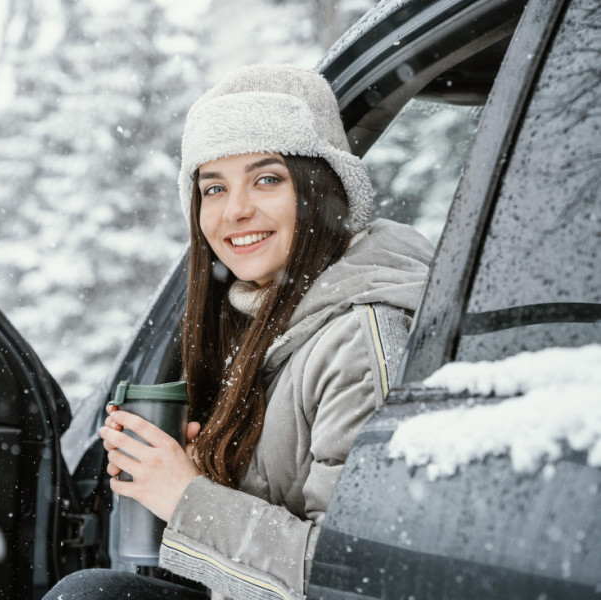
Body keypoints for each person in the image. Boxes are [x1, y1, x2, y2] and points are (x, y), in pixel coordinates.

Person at [46, 64, 433, 600]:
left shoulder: (364, 340)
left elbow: (360, 579)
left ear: (323, 186)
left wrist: (186, 497)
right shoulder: (259, 321)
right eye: (213, 188)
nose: (235, 210)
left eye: (267, 178)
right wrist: (201, 464)